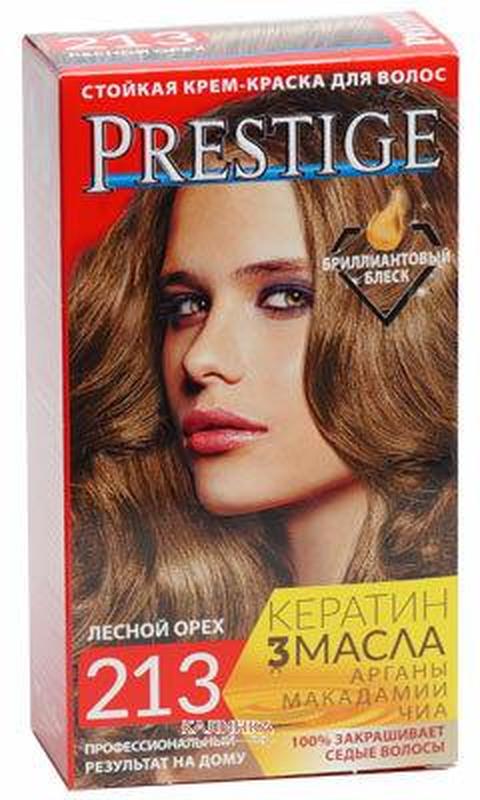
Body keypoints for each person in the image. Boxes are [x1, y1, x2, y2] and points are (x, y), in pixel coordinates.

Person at [69, 85, 457, 784]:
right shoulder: (186, 716)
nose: (201, 358)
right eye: (186, 305)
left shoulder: (438, 709)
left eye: (285, 297)